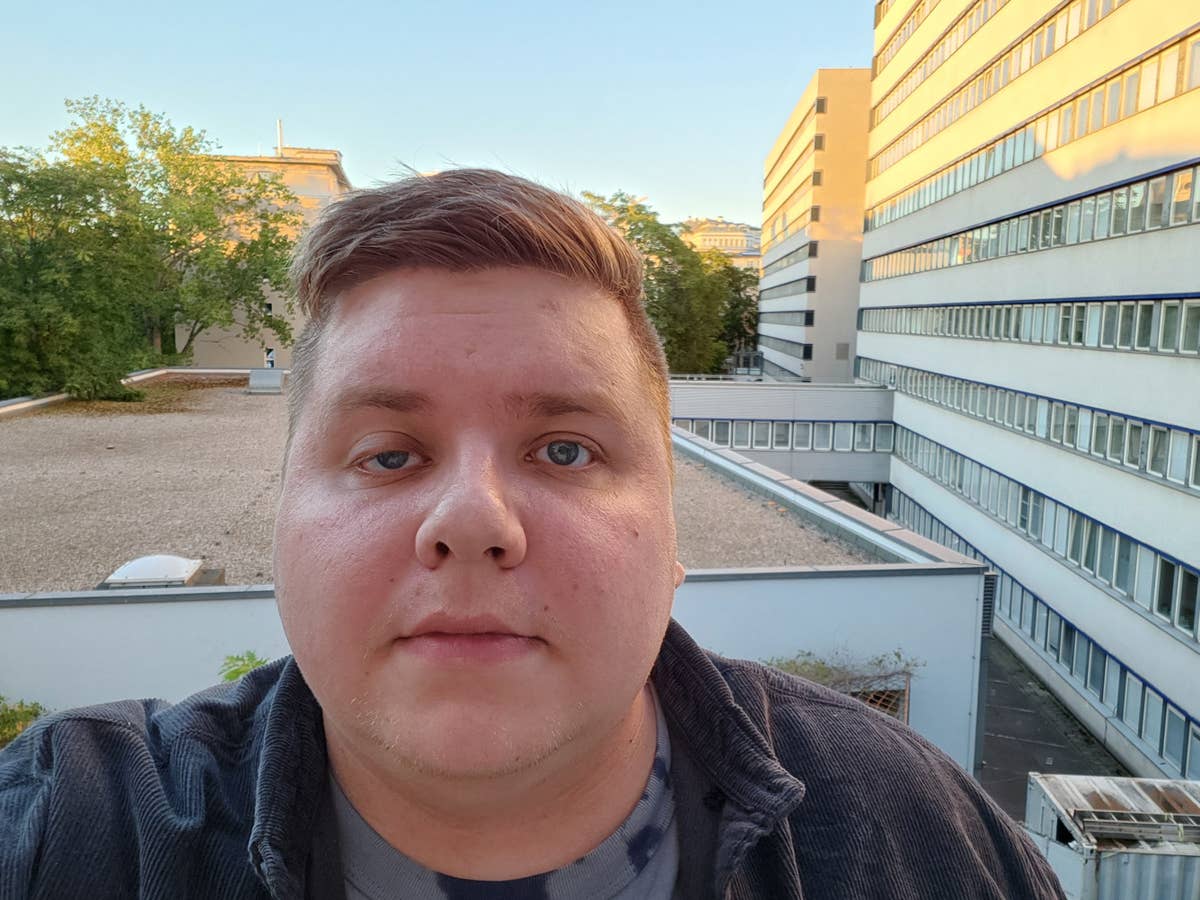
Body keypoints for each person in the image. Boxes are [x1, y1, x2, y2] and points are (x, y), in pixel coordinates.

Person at [0, 169, 1065, 900]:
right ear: (282, 528)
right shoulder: (74, 830)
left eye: (564, 449)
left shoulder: (906, 831)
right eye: (387, 455)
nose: (471, 521)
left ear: (671, 539)